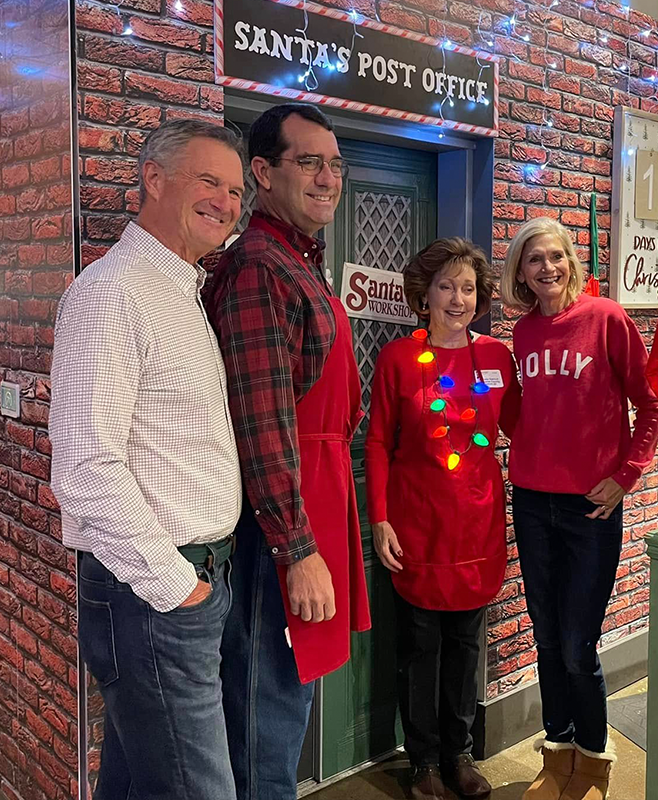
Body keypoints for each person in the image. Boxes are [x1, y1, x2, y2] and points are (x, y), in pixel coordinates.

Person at [50, 119, 245, 799]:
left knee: (138, 785)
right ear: (153, 180)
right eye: (208, 181)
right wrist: (175, 587)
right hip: (156, 593)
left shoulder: (183, 292)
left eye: (235, 190)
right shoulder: (111, 293)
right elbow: (84, 469)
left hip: (191, 584)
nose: (225, 201)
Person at [204, 103, 371, 800]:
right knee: (264, 721)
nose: (327, 177)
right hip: (275, 527)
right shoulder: (258, 269)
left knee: (284, 703)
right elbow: (262, 424)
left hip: (312, 502)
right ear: (262, 173)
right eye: (309, 162)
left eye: (334, 163)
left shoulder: (299, 261)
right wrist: (297, 550)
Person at [500, 218, 658, 800]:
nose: (546, 268)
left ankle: (594, 761)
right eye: (532, 260)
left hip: (589, 509)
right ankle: (557, 753)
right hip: (531, 500)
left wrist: (625, 475)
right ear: (520, 272)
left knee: (576, 644)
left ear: (570, 260)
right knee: (546, 639)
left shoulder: (606, 319)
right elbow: (517, 411)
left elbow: (650, 404)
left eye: (554, 256)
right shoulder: (522, 335)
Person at [366, 238, 521, 800]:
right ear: (424, 294)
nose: (459, 298)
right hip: (416, 524)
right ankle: (423, 761)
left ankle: (460, 754)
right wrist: (379, 517)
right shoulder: (399, 359)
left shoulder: (499, 358)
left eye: (469, 288)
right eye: (447, 286)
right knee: (420, 648)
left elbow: (525, 431)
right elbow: (379, 441)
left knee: (466, 647)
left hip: (477, 522)